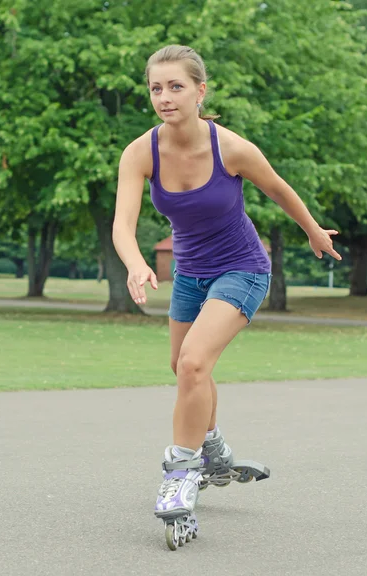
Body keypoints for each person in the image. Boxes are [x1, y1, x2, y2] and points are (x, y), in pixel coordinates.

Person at [112, 45, 342, 550]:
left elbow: (278, 188)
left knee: (194, 363)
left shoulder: (231, 148)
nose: (165, 97)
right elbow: (122, 225)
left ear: (200, 89)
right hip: (191, 276)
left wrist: (312, 231)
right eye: (156, 88)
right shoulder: (140, 152)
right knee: (183, 366)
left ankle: (180, 475)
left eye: (176, 86)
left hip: (242, 269)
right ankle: (213, 449)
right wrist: (135, 263)